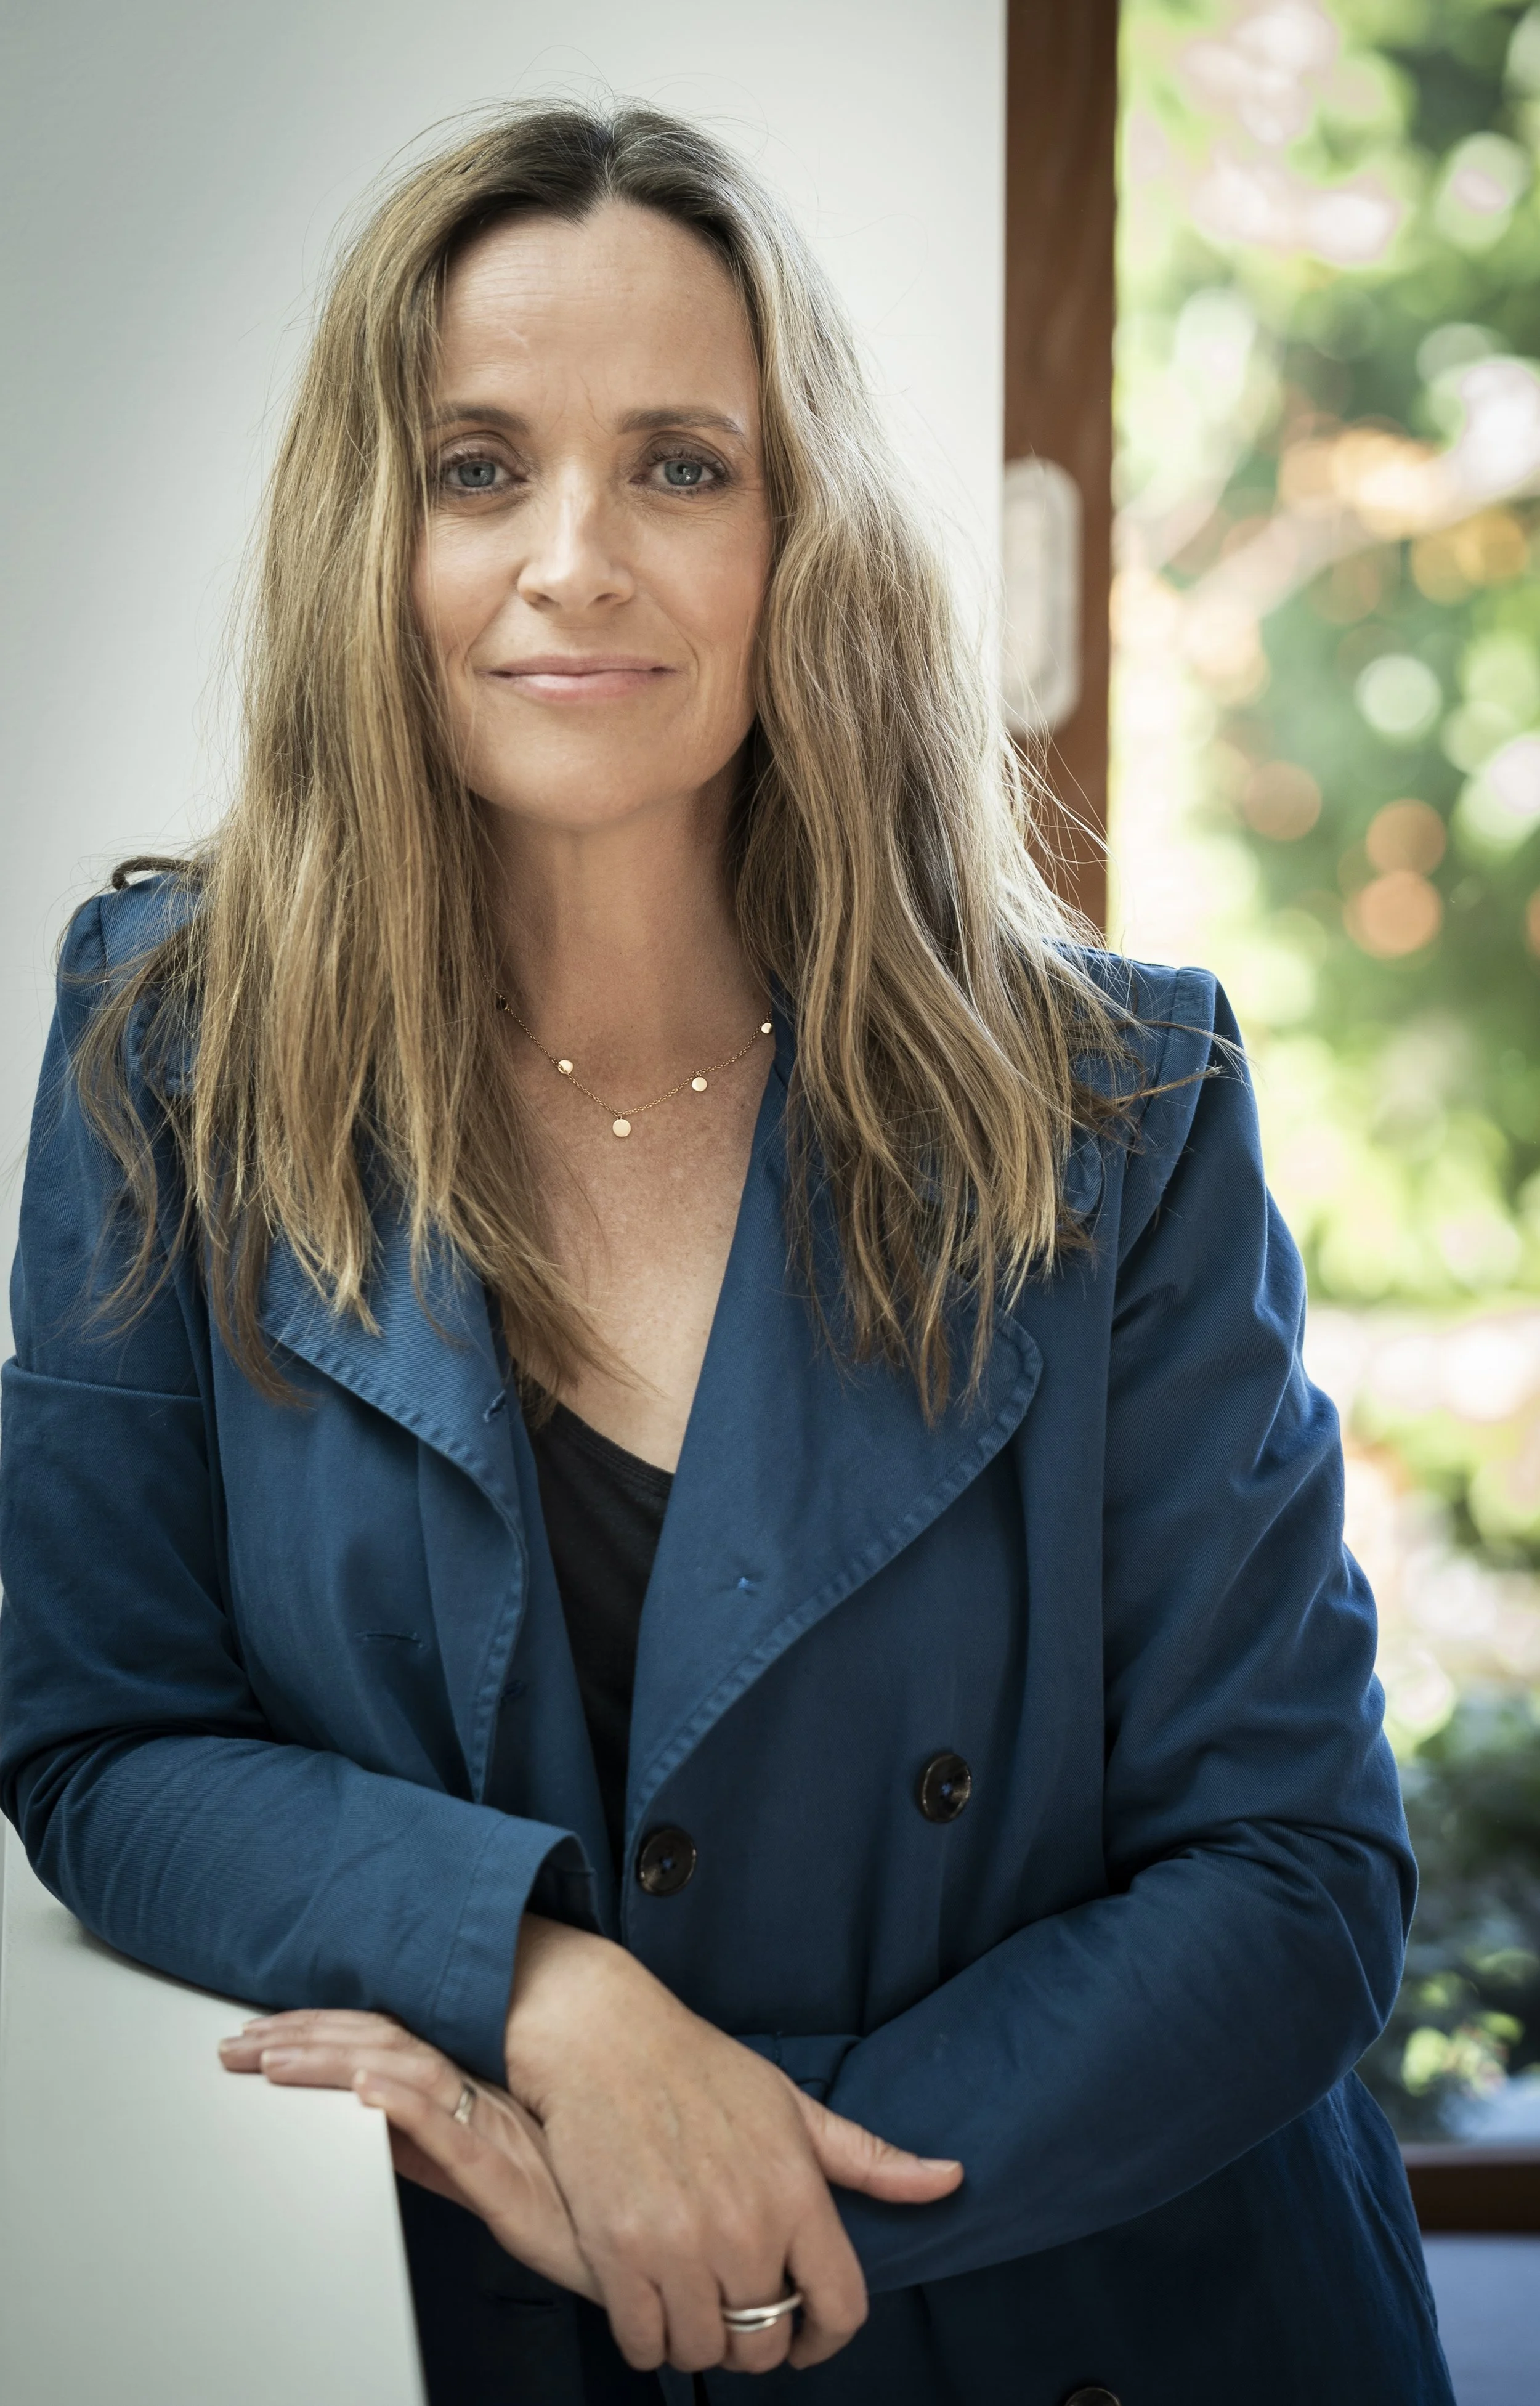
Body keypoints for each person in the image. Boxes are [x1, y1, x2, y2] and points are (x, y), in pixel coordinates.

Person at [0, 101, 1453, 2406]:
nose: (572, 557)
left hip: (1093, 2316)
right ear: (368, 536)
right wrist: (561, 1999)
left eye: (681, 464)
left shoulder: (1119, 1103)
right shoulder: (170, 1050)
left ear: (809, 539)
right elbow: (104, 1744)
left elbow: (1288, 1874)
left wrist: (731, 2187)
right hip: (486, 2322)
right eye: (477, 467)